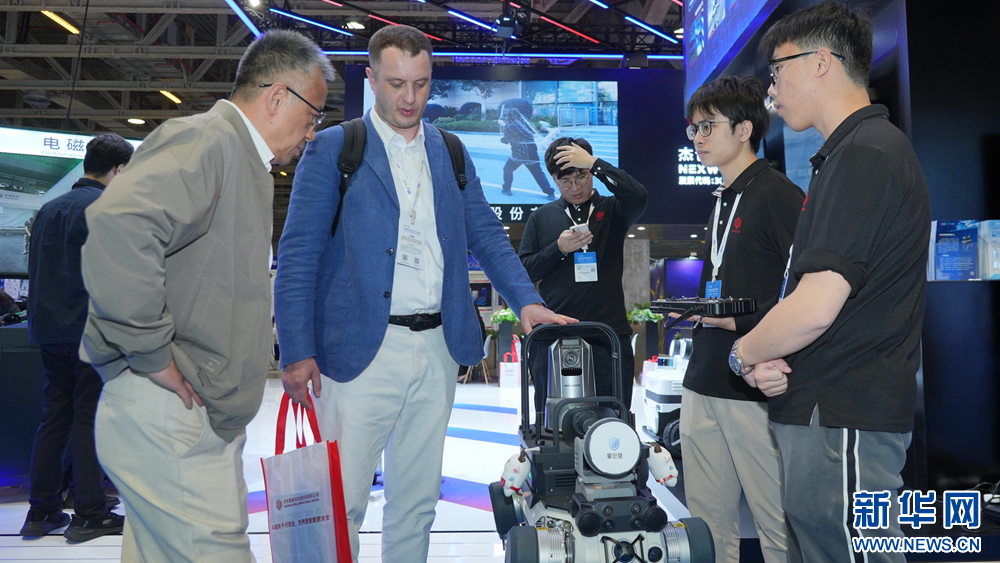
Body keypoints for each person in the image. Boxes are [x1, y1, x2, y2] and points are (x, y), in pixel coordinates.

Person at [274, 25, 573, 563]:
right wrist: (295, 351)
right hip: (358, 352)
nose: (410, 98)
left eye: (421, 83)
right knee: (341, 503)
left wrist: (526, 300)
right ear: (372, 80)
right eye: (396, 84)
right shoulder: (336, 148)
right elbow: (297, 257)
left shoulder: (450, 150)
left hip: (437, 347)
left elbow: (485, 234)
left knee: (416, 503)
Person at [79, 30, 334, 562]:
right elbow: (119, 226)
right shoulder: (209, 140)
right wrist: (150, 351)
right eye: (313, 116)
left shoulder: (239, 158)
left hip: (188, 413)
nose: (312, 133)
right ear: (277, 96)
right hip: (174, 411)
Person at [729, 3, 931, 562]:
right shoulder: (849, 153)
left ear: (821, 63)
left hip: (842, 415)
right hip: (828, 414)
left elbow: (816, 306)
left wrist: (743, 354)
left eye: (777, 70)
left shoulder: (864, 154)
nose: (772, 90)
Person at [677, 76, 803, 563]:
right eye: (693, 128)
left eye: (708, 126)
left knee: (777, 526)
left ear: (745, 129)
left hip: (756, 381)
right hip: (703, 377)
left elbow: (812, 288)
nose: (698, 137)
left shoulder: (778, 194)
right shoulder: (722, 197)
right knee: (707, 529)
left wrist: (744, 324)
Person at [19, 134, 134, 542]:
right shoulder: (109, 209)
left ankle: (41, 511)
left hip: (48, 331)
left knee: (54, 418)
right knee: (89, 418)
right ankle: (89, 513)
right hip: (90, 331)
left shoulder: (48, 210)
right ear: (119, 169)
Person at [518, 137, 647, 421]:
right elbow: (525, 271)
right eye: (565, 182)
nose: (574, 188)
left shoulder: (613, 209)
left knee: (611, 419)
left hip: (607, 333)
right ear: (553, 179)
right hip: (552, 334)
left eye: (582, 177)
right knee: (552, 423)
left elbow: (639, 196)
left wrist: (594, 163)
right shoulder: (541, 217)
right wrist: (558, 249)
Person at [497, 100, 556, 199]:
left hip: (519, 152)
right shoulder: (525, 124)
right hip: (532, 151)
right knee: (537, 172)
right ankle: (550, 193)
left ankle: (507, 189)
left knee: (507, 169)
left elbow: (505, 140)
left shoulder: (511, 127)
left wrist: (503, 128)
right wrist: (505, 126)